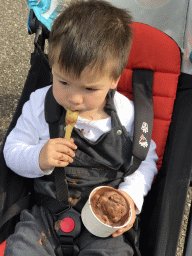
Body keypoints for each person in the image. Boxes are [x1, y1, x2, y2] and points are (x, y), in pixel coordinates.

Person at [3, 0, 158, 255]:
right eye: (63, 82)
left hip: (105, 219)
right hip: (46, 213)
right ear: (52, 68)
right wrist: (39, 157)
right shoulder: (40, 105)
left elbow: (145, 160)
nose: (74, 98)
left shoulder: (129, 114)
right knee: (20, 248)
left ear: (113, 80)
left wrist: (131, 197)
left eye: (89, 89)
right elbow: (12, 150)